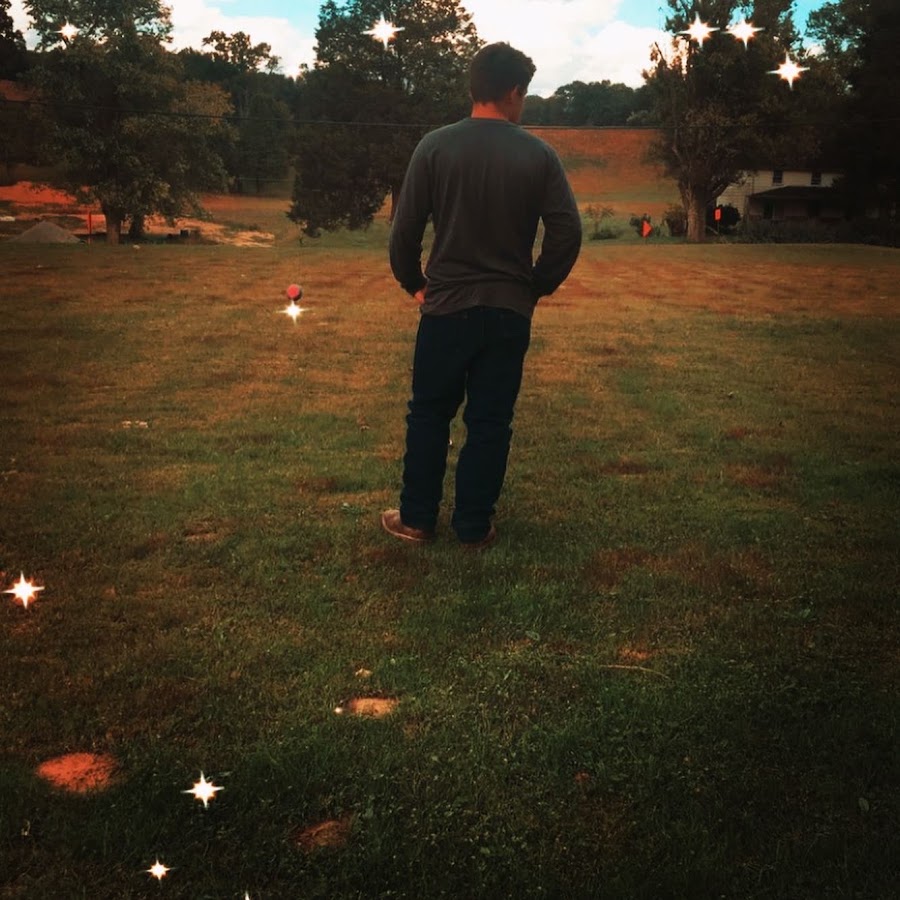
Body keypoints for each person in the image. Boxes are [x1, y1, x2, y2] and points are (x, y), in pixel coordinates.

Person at [382, 41, 582, 549]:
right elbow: (567, 233)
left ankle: (417, 520)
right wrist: (535, 286)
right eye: (524, 94)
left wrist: (414, 283)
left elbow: (404, 231)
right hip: (508, 312)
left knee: (429, 413)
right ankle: (473, 526)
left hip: (445, 308)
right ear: (513, 92)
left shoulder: (434, 147)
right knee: (490, 420)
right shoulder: (539, 155)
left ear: (475, 87)